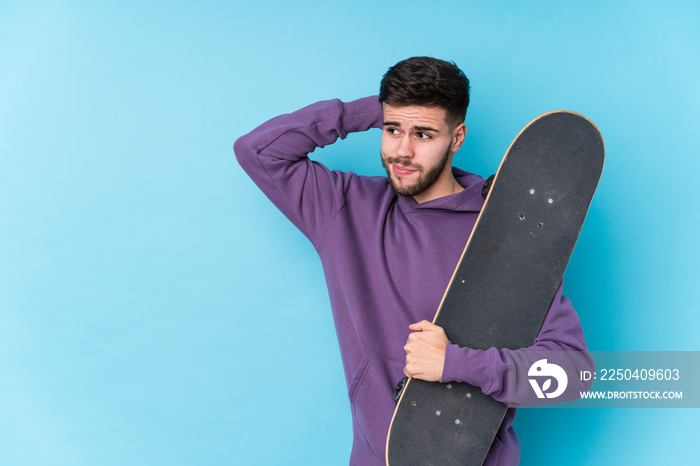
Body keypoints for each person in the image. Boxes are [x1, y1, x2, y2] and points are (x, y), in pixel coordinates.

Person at [234, 56, 593, 465]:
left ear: (457, 138)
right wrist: (379, 110)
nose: (402, 151)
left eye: (423, 134)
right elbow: (257, 151)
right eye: (392, 131)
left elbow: (573, 375)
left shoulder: (506, 231)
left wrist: (458, 364)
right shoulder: (346, 209)